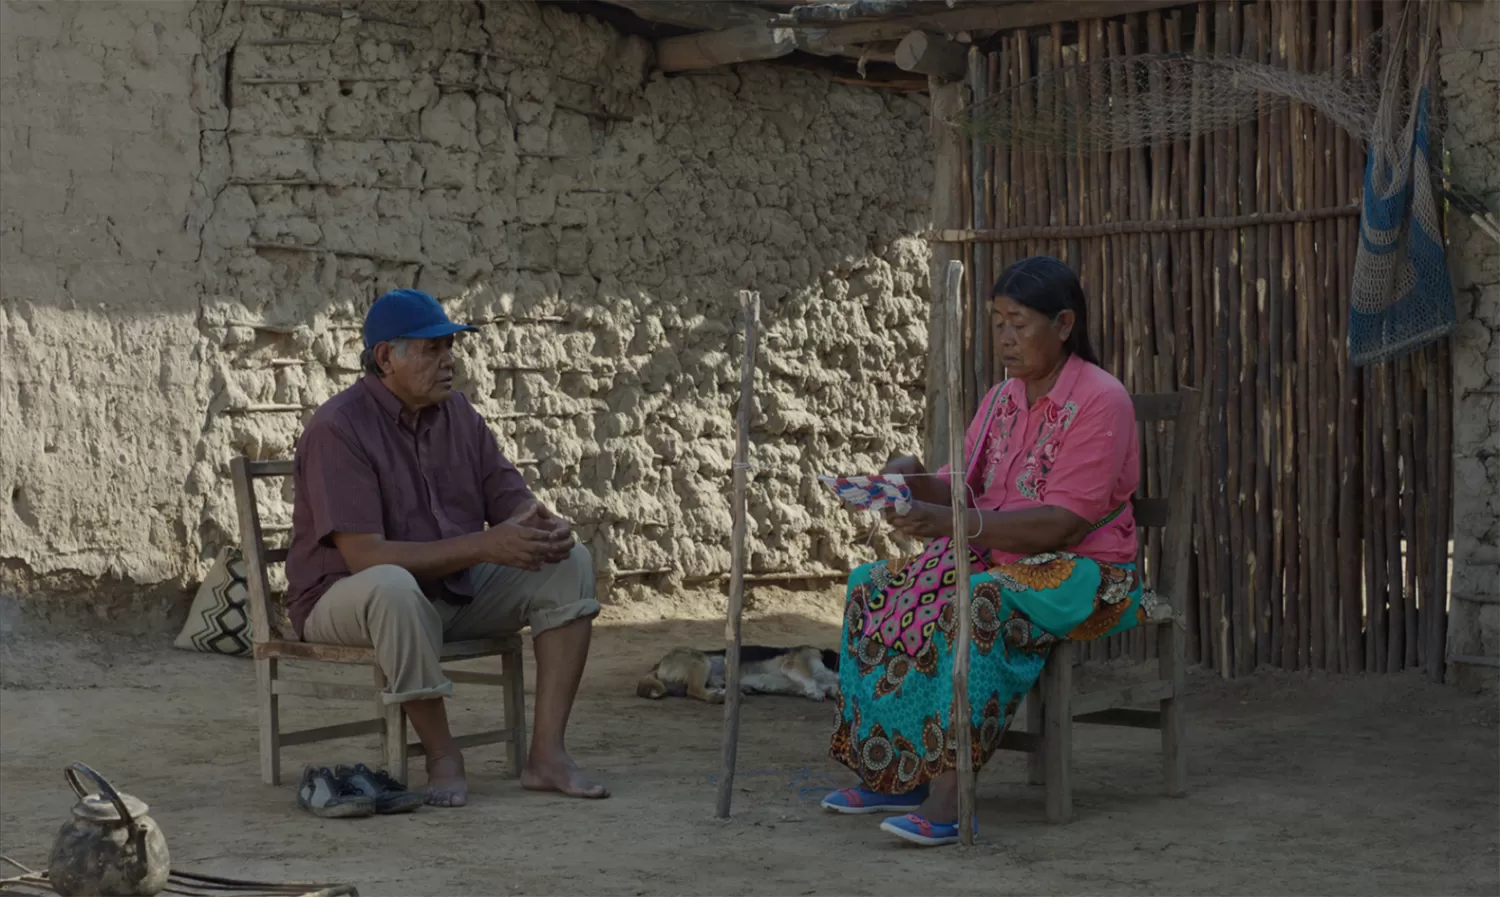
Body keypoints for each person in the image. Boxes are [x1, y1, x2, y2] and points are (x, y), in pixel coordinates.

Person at [820, 256, 1155, 846]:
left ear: (1064, 324)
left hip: (1083, 571)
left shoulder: (1101, 400)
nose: (1004, 336)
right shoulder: (1004, 399)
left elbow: (1064, 525)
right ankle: (892, 772)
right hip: (997, 556)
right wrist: (906, 479)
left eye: (1019, 323)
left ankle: (951, 799)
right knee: (872, 586)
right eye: (998, 321)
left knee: (980, 606)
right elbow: (963, 482)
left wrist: (954, 523)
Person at [284, 288, 608, 807]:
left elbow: (512, 500)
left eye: (451, 347)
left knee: (569, 561)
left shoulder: (459, 414)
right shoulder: (338, 428)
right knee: (393, 588)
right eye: (433, 349)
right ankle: (443, 757)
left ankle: (547, 756)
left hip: (444, 592)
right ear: (387, 357)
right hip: (343, 598)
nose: (449, 360)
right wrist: (486, 545)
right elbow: (365, 558)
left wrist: (543, 526)